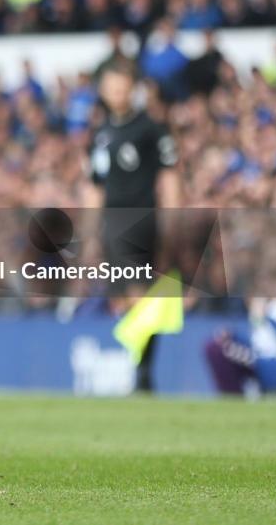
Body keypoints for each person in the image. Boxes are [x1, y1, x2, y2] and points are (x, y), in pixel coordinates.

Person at [86, 60, 181, 392]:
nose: (118, 93)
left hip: (140, 218)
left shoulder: (150, 129)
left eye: (123, 87)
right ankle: (139, 367)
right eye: (112, 87)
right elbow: (95, 185)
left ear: (132, 89)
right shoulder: (100, 134)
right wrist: (90, 231)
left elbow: (169, 177)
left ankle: (142, 373)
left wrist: (172, 218)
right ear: (103, 91)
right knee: (124, 298)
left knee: (139, 292)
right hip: (112, 222)